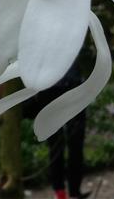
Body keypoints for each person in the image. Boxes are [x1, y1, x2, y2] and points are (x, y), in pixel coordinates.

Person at [35, 62, 88, 199]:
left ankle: (68, 192)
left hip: (59, 84)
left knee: (68, 143)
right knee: (63, 143)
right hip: (60, 85)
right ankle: (65, 192)